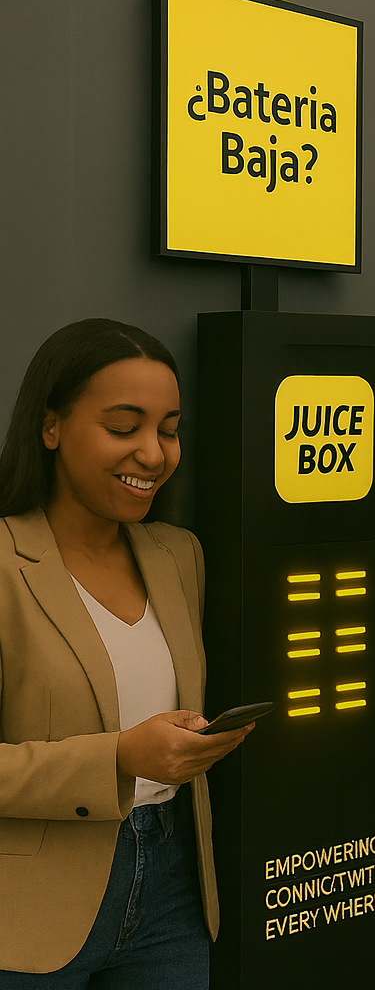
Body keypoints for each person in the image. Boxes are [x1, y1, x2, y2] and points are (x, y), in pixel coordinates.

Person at [0, 319, 252, 986]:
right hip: (29, 908)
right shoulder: (3, 562)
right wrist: (118, 757)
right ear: (51, 426)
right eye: (123, 427)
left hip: (173, 886)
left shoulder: (177, 555)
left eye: (168, 430)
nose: (154, 453)